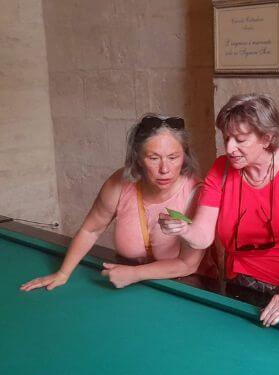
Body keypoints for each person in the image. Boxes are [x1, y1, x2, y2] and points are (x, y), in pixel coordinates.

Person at [158, 94, 279, 327]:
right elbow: (203, 236)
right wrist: (183, 228)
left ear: (267, 138)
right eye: (226, 138)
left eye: (240, 140)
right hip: (243, 282)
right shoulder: (221, 170)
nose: (230, 148)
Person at [21, 114, 206, 291]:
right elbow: (90, 230)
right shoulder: (120, 184)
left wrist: (134, 274)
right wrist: (63, 273)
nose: (164, 168)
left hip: (184, 288)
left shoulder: (197, 193)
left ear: (185, 156)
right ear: (138, 159)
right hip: (129, 281)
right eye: (153, 158)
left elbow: (188, 265)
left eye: (173, 157)